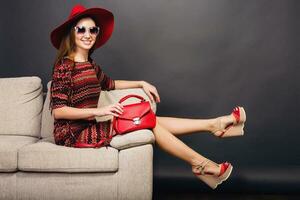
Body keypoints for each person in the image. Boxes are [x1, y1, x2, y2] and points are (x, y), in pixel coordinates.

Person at [49, 4, 247, 189]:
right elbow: (59, 111)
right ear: (71, 33)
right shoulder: (64, 67)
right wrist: (100, 110)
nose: (88, 35)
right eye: (81, 29)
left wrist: (141, 83)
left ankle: (213, 127)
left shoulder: (91, 65)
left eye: (93, 30)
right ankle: (202, 160)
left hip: (89, 127)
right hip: (71, 135)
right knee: (148, 121)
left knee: (150, 119)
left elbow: (111, 84)